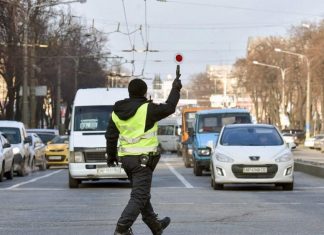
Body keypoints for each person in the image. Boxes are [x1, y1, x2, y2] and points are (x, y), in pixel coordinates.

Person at [105, 72, 182, 235]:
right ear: (144, 92)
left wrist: (111, 156)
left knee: (142, 193)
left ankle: (155, 225)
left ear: (129, 92)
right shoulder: (148, 109)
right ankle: (122, 228)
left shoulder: (116, 111)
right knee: (139, 196)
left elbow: (111, 135)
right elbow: (170, 107)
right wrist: (175, 88)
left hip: (126, 160)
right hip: (143, 161)